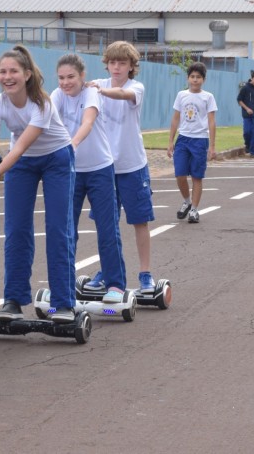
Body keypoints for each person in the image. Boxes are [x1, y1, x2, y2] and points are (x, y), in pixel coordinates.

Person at [0, 45, 77, 323]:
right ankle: (13, 301)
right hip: (23, 165)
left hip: (56, 158)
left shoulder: (42, 103)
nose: (8, 76)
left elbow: (18, 148)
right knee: (16, 229)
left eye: (13, 71)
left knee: (57, 228)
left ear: (27, 74)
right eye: (3, 71)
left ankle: (63, 303)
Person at [51, 53, 128, 303]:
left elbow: (88, 121)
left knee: (107, 228)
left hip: (100, 169)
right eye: (61, 78)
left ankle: (115, 284)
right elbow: (44, 120)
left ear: (82, 76)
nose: (65, 82)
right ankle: (63, 284)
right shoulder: (57, 95)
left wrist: (71, 145)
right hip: (70, 172)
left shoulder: (91, 93)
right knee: (66, 230)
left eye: (71, 77)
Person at [89, 41, 156, 294]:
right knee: (106, 223)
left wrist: (99, 92)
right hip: (103, 167)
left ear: (131, 67)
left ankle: (145, 273)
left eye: (122, 63)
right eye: (112, 62)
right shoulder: (96, 84)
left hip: (132, 165)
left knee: (140, 221)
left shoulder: (135, 87)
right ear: (106, 64)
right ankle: (108, 270)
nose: (116, 67)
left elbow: (123, 95)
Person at [167, 61, 217, 224]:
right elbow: (175, 118)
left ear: (203, 79)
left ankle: (194, 210)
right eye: (192, 77)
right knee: (180, 174)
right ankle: (187, 201)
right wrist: (170, 141)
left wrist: (212, 145)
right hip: (183, 139)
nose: (195, 80)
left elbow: (211, 121)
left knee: (197, 176)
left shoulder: (208, 97)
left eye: (198, 77)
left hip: (200, 140)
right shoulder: (181, 95)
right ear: (188, 78)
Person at [237, 70, 254, 158]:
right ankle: (247, 145)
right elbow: (239, 100)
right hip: (247, 115)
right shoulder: (245, 88)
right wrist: (247, 109)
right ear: (251, 78)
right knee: (247, 132)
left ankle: (253, 151)